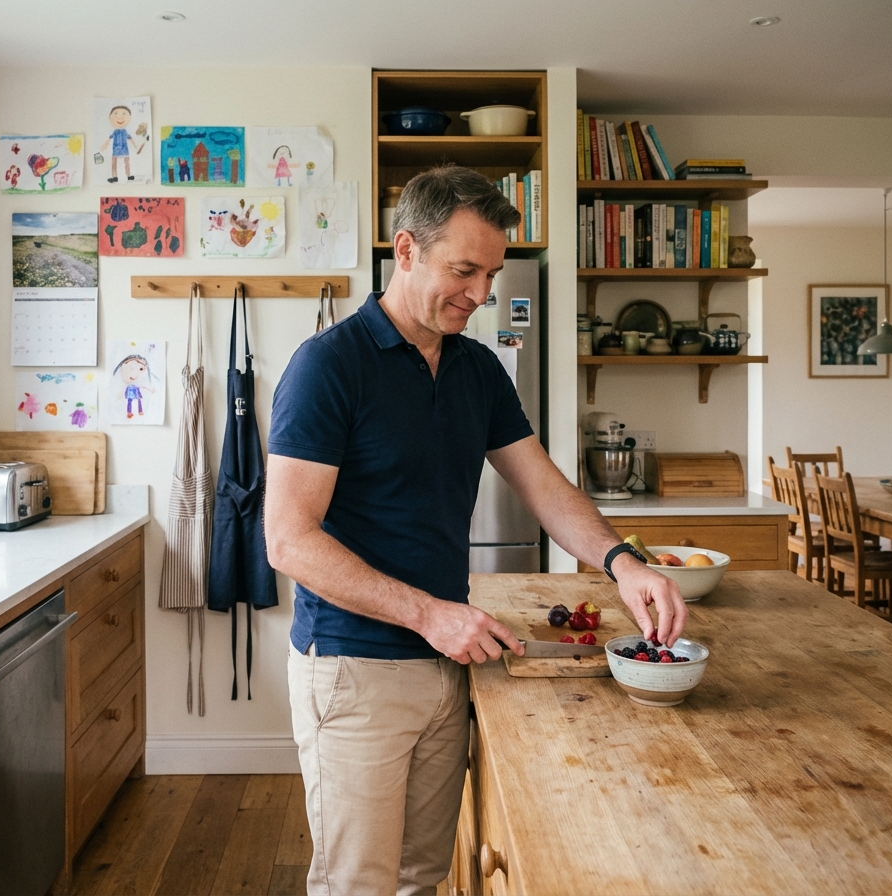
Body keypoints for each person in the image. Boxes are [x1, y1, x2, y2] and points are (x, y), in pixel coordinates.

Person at [264, 165, 686, 896]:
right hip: (355, 669)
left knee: (423, 878)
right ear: (405, 250)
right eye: (464, 269)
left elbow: (545, 488)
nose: (482, 293)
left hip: (448, 661)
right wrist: (430, 615)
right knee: (357, 885)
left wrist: (625, 563)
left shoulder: (478, 368)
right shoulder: (329, 367)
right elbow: (289, 541)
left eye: (490, 273)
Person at [100, 105, 144, 183]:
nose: (120, 118)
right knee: (114, 162)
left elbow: (130, 138)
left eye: (124, 114)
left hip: (124, 149)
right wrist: (104, 145)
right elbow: (109, 139)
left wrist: (136, 146)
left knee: (126, 162)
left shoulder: (125, 132)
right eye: (115, 114)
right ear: (110, 118)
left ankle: (129, 175)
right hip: (116, 149)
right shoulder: (115, 132)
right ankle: (114, 177)